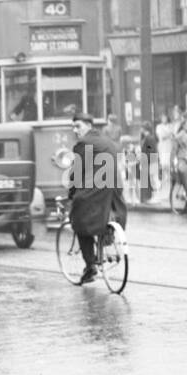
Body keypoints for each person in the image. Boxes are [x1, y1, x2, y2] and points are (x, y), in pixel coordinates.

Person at [66, 114, 126, 285]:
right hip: (114, 193)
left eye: (78, 126)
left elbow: (76, 174)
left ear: (88, 125)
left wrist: (71, 195)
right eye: (73, 127)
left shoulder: (83, 144)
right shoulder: (108, 142)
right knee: (100, 218)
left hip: (96, 193)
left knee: (78, 221)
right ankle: (107, 238)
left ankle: (91, 265)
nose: (75, 130)